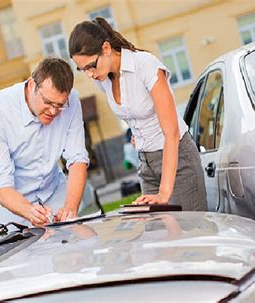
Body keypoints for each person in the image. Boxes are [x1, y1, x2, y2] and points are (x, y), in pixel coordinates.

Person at [68, 18, 206, 211]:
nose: (90, 74)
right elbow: (135, 113)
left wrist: (164, 193)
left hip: (178, 162)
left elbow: (171, 132)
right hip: (146, 164)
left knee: (192, 235)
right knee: (160, 237)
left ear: (106, 48)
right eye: (83, 70)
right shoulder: (103, 79)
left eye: (91, 65)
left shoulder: (145, 65)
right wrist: (139, 134)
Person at [0, 57, 89, 227]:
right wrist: (29, 211)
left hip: (53, 193)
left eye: (60, 105)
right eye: (47, 102)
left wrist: (70, 207)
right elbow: (2, 187)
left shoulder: (72, 100)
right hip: (13, 210)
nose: (54, 111)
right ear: (32, 85)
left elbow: (77, 159)